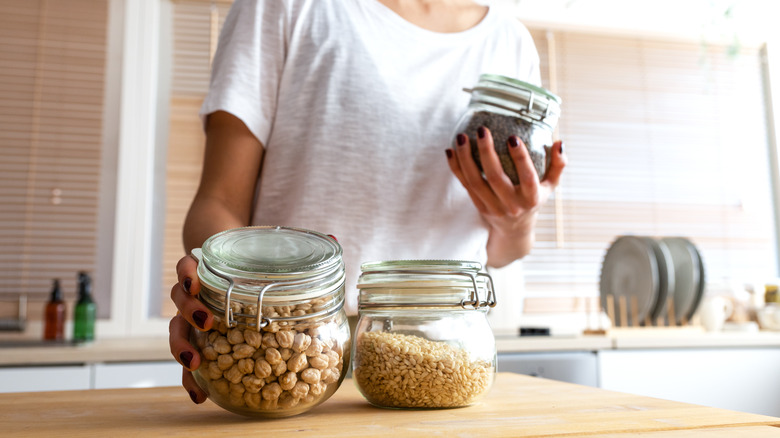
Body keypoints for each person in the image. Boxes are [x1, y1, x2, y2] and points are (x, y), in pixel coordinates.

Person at [169, 0, 566, 404]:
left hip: (451, 344)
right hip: (297, 337)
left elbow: (502, 252)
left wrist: (516, 222)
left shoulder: (509, 39)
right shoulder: (284, 6)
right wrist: (221, 291)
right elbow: (218, 200)